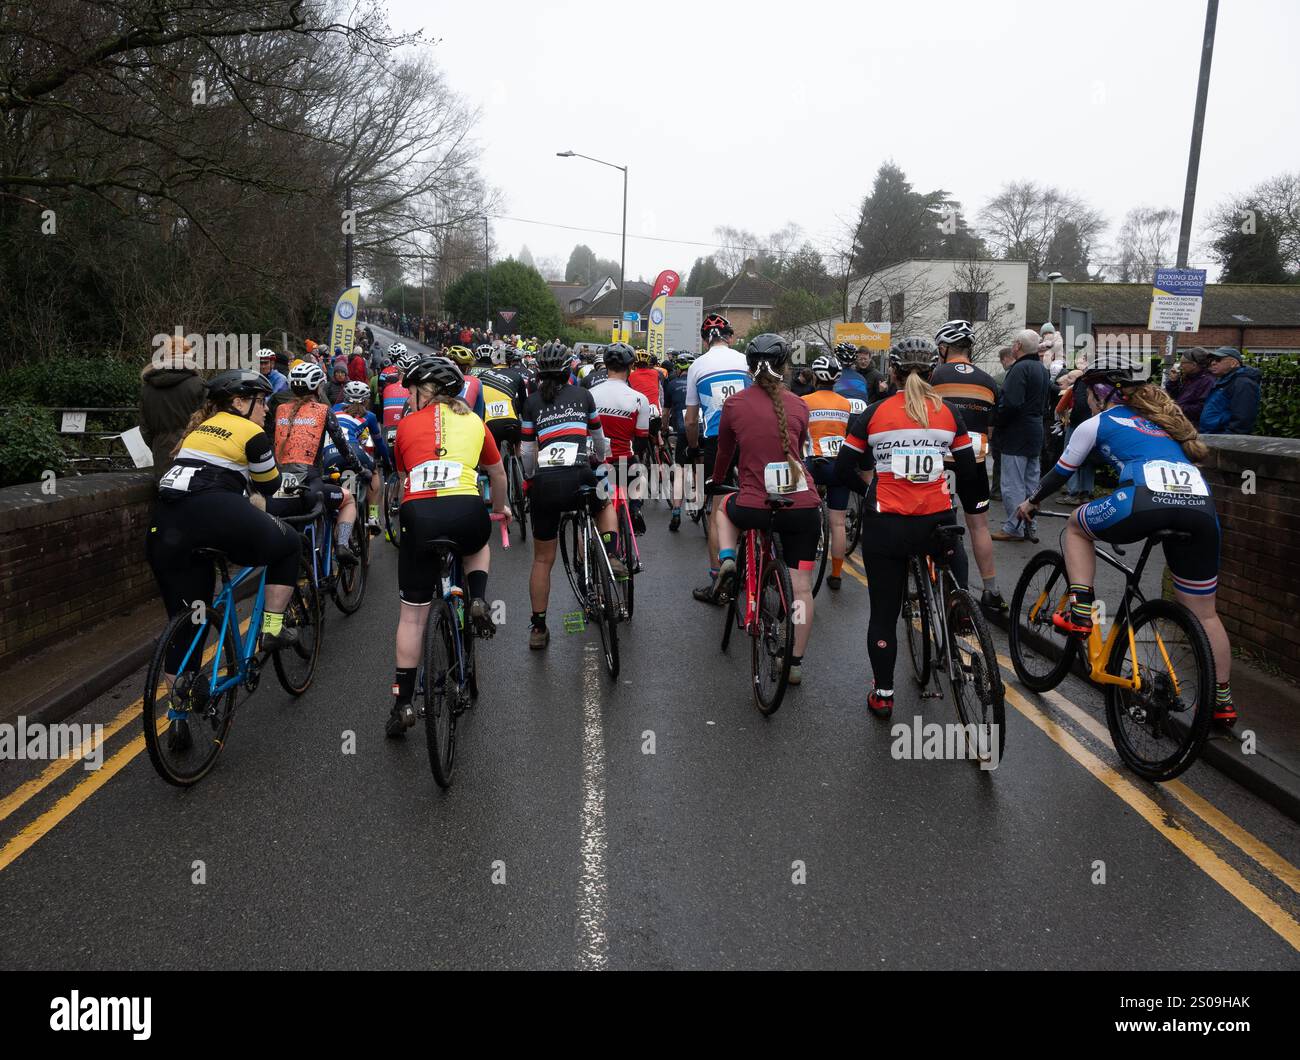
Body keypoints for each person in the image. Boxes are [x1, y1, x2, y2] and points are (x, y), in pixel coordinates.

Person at [1015, 352, 1238, 727]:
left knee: (1075, 525)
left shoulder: (1099, 423)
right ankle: (1222, 701)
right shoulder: (1168, 424)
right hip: (1200, 510)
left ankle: (1082, 608)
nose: (1085, 398)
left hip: (1144, 501)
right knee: (1205, 614)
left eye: (1086, 391)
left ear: (1102, 393)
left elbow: (1060, 474)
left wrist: (1031, 502)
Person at [833, 337, 986, 718]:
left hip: (886, 524)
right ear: (932, 373)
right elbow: (969, 472)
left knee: (883, 613)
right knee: (954, 550)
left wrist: (868, 491)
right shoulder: (949, 413)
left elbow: (841, 470)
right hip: (936, 520)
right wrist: (972, 503)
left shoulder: (872, 414)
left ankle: (883, 694)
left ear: (893, 373)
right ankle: (960, 605)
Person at [147, 370, 302, 719]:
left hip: (165, 526)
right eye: (260, 401)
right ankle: (274, 630)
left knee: (188, 620)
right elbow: (270, 485)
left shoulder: (196, 432)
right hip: (214, 513)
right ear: (239, 402)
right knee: (290, 544)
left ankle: (179, 714)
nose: (266, 409)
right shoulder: (251, 431)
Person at [387, 356, 509, 737]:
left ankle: (403, 704)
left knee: (411, 616)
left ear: (425, 393)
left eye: (411, 392)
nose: (408, 398)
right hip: (467, 510)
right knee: (477, 546)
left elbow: (405, 478)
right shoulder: (475, 421)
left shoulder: (405, 426)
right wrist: (501, 508)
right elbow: (497, 472)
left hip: (420, 516)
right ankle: (477, 597)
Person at [698, 334, 821, 685]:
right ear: (786, 367)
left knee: (724, 509)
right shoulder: (799, 405)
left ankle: (726, 560)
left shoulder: (735, 405)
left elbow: (724, 452)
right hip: (802, 508)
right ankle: (794, 664)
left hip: (752, 505)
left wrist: (717, 479)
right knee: (801, 588)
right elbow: (795, 449)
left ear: (748, 368)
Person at [520, 340, 622, 650]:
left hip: (547, 484)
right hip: (580, 474)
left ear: (539, 374)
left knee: (542, 560)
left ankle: (538, 627)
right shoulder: (583, 395)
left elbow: (527, 452)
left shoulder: (532, 403)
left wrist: (529, 479)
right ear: (569, 372)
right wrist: (601, 461)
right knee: (606, 495)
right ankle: (612, 552)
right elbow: (599, 440)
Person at [930, 319, 1006, 612]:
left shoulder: (934, 376)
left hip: (944, 463)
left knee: (946, 524)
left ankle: (953, 588)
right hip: (975, 463)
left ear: (943, 348)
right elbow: (991, 425)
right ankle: (991, 591)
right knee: (979, 526)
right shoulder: (989, 381)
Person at [270, 361, 364, 564]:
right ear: (316, 387)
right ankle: (342, 545)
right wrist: (359, 468)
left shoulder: (280, 410)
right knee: (348, 500)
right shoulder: (322, 410)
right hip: (309, 485)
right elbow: (343, 447)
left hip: (278, 487)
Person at [685, 313, 751, 601]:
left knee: (717, 511)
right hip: (750, 437)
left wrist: (693, 448)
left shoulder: (697, 366)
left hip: (717, 440)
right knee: (757, 497)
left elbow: (690, 420)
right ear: (731, 338)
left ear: (704, 341)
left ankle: (717, 580)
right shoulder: (746, 360)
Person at [991, 329, 1049, 542]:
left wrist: (998, 422)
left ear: (1017, 346)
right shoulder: (1042, 369)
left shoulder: (1019, 369)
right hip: (1035, 429)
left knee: (1012, 483)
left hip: (1017, 431)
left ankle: (1013, 527)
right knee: (1031, 483)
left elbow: (1011, 403)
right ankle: (1030, 525)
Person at [801, 355, 853, 590]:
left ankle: (803, 570)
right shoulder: (846, 403)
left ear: (815, 376)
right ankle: (836, 574)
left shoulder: (804, 401)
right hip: (838, 464)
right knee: (838, 523)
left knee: (803, 521)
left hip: (812, 462)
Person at [590, 343, 652, 537]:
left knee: (595, 510)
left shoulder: (590, 394)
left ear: (606, 366)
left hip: (597, 462)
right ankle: (635, 506)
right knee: (640, 471)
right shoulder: (639, 398)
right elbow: (642, 439)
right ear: (630, 367)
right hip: (624, 460)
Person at [140, 334, 207, 480]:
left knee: (165, 494)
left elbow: (145, 429)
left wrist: (158, 446)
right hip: (194, 453)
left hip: (161, 455)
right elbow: (208, 421)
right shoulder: (197, 384)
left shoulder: (147, 388)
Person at [331, 379, 393, 530]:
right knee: (374, 472)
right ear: (366, 400)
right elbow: (379, 443)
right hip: (353, 450)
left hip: (331, 452)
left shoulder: (334, 408)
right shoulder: (370, 416)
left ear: (345, 397)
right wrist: (387, 462)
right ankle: (373, 516)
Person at [662, 351, 693, 530]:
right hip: (702, 431)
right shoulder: (699, 383)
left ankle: (676, 511)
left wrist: (664, 429)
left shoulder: (672, 384)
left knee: (680, 471)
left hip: (682, 431)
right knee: (700, 467)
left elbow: (666, 413)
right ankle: (701, 498)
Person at [1199, 347, 1261, 436]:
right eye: (1212, 360)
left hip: (1223, 439)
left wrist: (1227, 438)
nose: (1213, 363)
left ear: (1233, 363)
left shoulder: (1243, 383)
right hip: (1211, 435)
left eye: (1218, 360)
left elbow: (1243, 419)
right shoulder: (1224, 380)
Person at [1166, 346, 1215, 427]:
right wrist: (1173, 382)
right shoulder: (1190, 377)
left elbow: (1200, 408)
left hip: (1192, 426)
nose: (1180, 366)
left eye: (1183, 363)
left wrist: (1176, 408)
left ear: (1194, 365)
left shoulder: (1207, 381)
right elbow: (1176, 397)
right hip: (1182, 421)